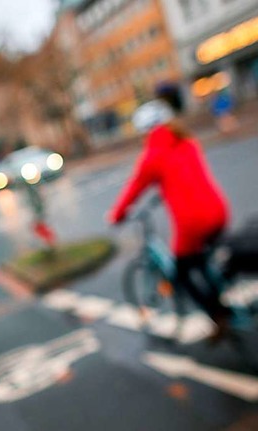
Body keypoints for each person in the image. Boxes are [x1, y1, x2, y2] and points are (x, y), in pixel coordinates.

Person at [107, 97, 232, 337]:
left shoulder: (152, 156)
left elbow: (133, 190)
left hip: (193, 222)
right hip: (218, 210)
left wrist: (117, 215)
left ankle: (218, 316)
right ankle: (221, 303)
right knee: (202, 263)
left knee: (181, 273)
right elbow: (186, 176)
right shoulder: (187, 142)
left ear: (146, 131)